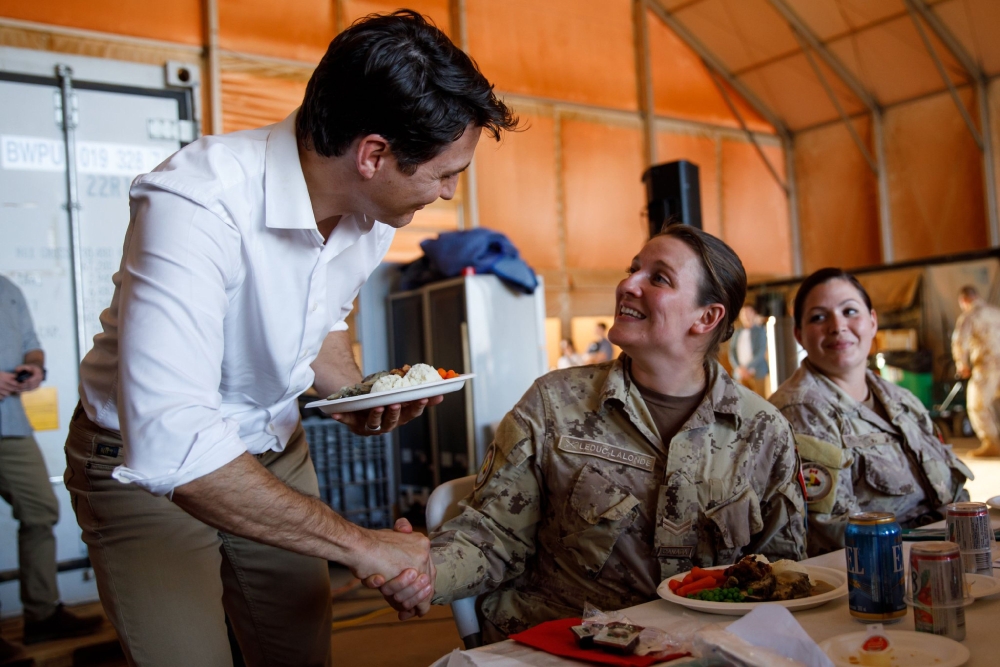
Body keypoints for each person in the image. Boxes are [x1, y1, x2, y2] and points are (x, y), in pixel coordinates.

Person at [63, 12, 517, 666]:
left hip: (273, 447)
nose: (447, 192)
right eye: (447, 173)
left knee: (299, 652)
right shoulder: (197, 200)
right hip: (141, 464)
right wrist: (361, 543)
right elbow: (174, 439)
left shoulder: (375, 213)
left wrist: (358, 394)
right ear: (374, 154)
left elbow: (321, 327)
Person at [379, 225, 807, 640]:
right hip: (565, 644)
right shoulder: (554, 404)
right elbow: (495, 535)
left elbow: (782, 573)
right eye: (633, 268)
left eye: (657, 277)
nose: (628, 284)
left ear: (707, 317)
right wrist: (424, 571)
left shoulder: (763, 431)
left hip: (708, 647)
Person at [770, 269, 972, 556]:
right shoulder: (801, 410)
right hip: (880, 572)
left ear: (873, 322)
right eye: (818, 317)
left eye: (850, 311)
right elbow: (831, 532)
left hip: (943, 552)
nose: (837, 326)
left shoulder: (900, 400)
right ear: (799, 335)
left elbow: (952, 492)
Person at [0, 276, 102, 661]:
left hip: (11, 424)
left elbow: (32, 345)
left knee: (41, 510)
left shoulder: (8, 289)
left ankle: (42, 617)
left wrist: (34, 368)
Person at [951, 285, 1000, 457]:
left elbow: (959, 342)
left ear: (964, 300)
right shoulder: (996, 312)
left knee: (977, 405)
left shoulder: (969, 316)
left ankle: (992, 443)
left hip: (986, 367)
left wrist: (962, 365)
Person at [728, 304, 769, 396]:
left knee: (760, 401)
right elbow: (732, 352)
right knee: (741, 401)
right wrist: (738, 368)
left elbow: (761, 352)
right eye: (743, 313)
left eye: (748, 313)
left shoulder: (760, 331)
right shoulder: (737, 333)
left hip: (757, 372)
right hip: (740, 373)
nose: (746, 316)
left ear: (754, 314)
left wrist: (747, 368)